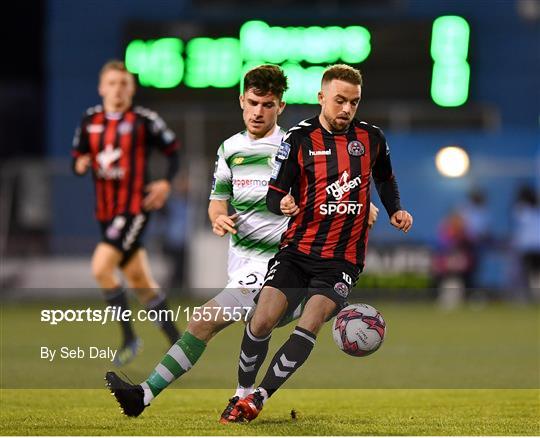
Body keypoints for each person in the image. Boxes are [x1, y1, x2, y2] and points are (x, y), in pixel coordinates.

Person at [104, 64, 381, 418]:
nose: (258, 111)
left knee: (204, 320)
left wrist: (366, 206)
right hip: (242, 267)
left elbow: (340, 181)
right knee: (218, 326)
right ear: (241, 101)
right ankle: (234, 397)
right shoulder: (229, 149)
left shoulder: (295, 144)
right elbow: (217, 199)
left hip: (280, 264)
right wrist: (218, 216)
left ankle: (150, 395)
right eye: (253, 103)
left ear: (280, 107)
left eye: (268, 105)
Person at [223, 64, 413, 423]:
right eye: (340, 100)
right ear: (321, 97)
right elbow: (274, 193)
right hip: (297, 251)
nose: (346, 109)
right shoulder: (298, 139)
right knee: (262, 321)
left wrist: (396, 210)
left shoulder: (371, 139)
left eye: (353, 103)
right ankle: (240, 392)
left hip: (342, 259)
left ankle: (258, 399)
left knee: (310, 322)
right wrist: (281, 202)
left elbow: (386, 180)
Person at [72, 60, 181, 366]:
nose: (118, 89)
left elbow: (173, 152)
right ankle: (177, 342)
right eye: (112, 83)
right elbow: (78, 155)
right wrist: (80, 164)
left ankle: (130, 339)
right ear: (101, 87)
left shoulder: (145, 120)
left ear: (132, 89)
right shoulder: (89, 120)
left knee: (101, 267)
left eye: (124, 83)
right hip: (105, 212)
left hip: (135, 207)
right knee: (141, 282)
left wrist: (164, 182)